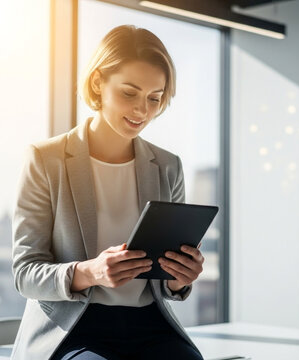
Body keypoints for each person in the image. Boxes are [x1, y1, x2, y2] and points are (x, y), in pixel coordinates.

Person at [11, 25, 205, 360]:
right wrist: (90, 272)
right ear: (99, 82)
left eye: (154, 99)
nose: (142, 111)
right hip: (75, 327)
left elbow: (164, 284)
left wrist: (179, 279)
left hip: (150, 325)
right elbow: (26, 273)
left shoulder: (167, 166)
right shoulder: (47, 160)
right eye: (129, 93)